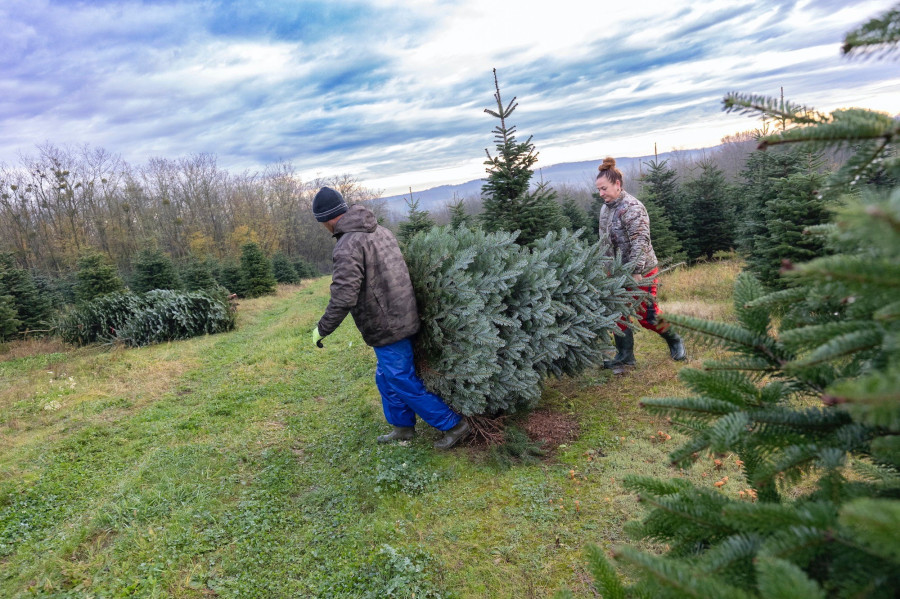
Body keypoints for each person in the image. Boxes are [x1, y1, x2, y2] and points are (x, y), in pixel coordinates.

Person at [310, 186, 471, 450]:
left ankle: (453, 425)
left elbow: (343, 297)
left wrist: (323, 329)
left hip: (386, 324)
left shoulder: (347, 245)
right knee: (386, 377)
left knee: (400, 377)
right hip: (403, 314)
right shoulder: (380, 230)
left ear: (326, 220)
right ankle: (403, 427)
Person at [596, 157, 686, 368]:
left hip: (641, 270)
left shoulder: (633, 208)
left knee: (647, 315)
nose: (601, 194)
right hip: (616, 272)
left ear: (617, 185)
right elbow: (603, 241)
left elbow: (640, 242)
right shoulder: (605, 209)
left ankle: (675, 341)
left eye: (604, 188)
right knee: (619, 313)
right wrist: (604, 268)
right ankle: (625, 357)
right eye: (598, 189)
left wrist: (636, 271)